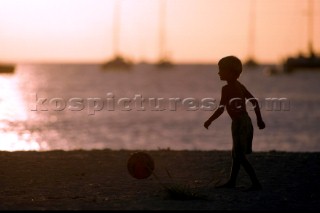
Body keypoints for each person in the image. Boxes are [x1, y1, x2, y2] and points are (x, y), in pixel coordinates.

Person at [204, 55, 265, 191]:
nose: (218, 73)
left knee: (239, 156)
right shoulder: (239, 85)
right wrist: (259, 119)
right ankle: (232, 182)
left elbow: (221, 109)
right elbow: (254, 101)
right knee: (236, 155)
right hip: (245, 121)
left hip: (239, 123)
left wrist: (209, 120)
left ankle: (256, 183)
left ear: (231, 72)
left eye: (221, 70)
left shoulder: (226, 89)